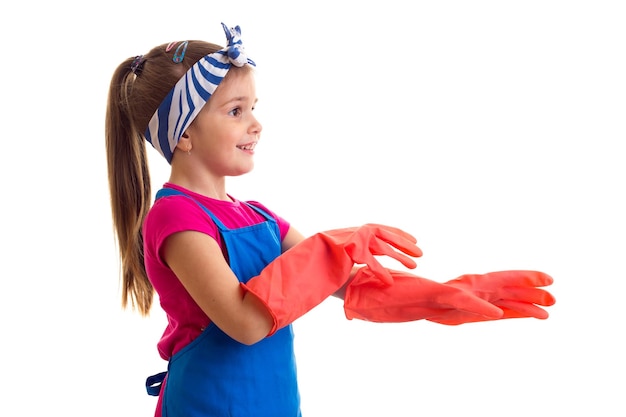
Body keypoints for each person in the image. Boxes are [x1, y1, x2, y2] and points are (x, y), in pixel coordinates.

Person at [105, 23, 555, 417]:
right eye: (236, 111)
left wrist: (441, 296)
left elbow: (347, 283)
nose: (257, 124)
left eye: (254, 106)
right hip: (207, 405)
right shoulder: (176, 217)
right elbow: (245, 322)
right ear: (183, 132)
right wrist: (330, 246)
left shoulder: (258, 216)